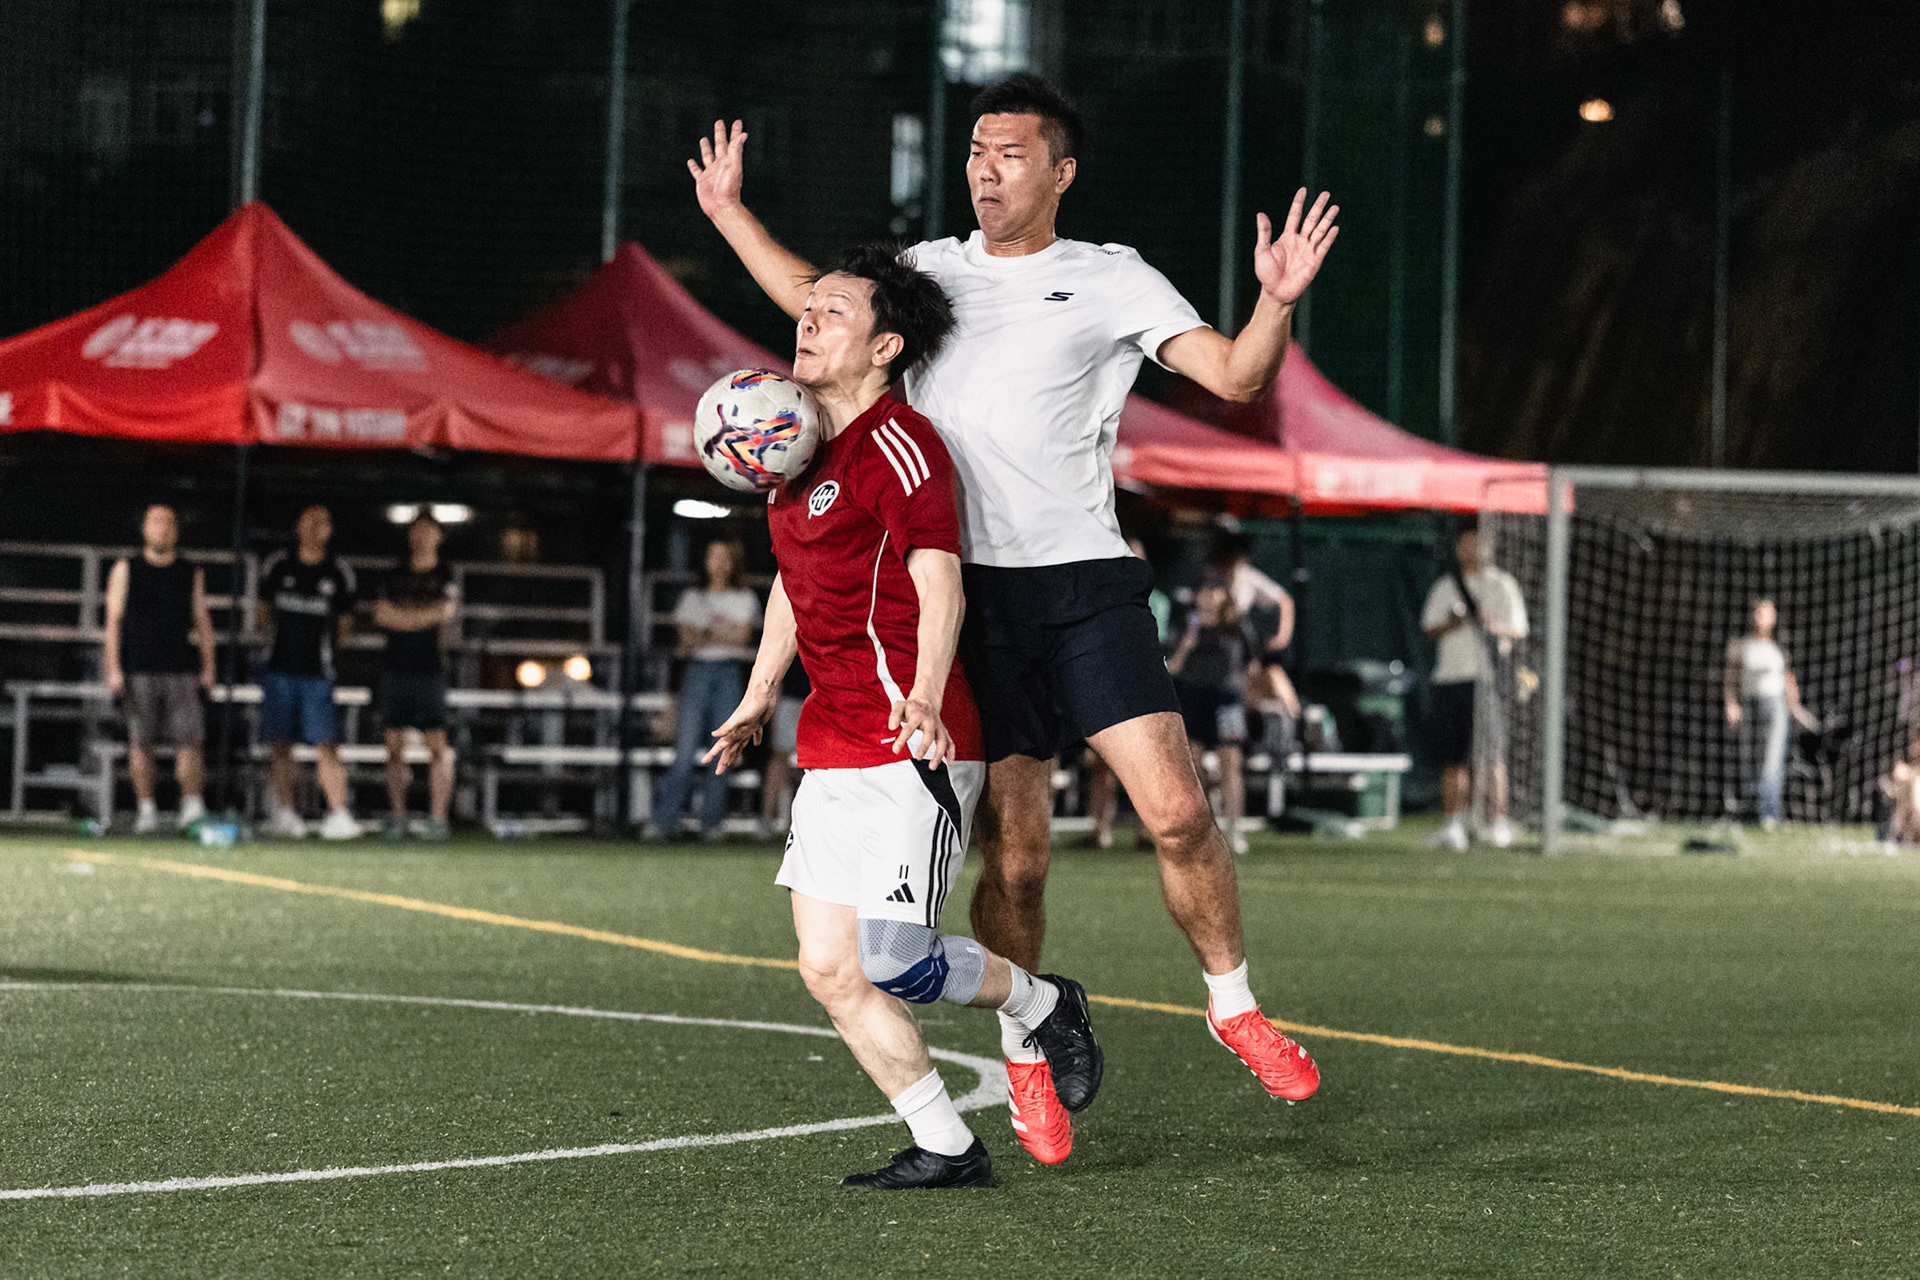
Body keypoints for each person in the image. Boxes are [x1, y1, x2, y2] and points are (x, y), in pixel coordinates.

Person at [690, 72, 1333, 1147]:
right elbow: (818, 297)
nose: (987, 168)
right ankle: (1028, 1047)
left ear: (1060, 173)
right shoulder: (930, 272)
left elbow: (1230, 376)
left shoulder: (1112, 278)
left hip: (1083, 581)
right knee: (1019, 858)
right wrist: (727, 215)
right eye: (977, 151)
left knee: (1177, 809)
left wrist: (1275, 299)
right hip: (966, 598)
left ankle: (1235, 1007)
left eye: (1011, 153)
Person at [703, 244, 1100, 1186]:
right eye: (810, 308)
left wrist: (923, 692)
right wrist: (761, 693)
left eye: (833, 311)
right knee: (829, 970)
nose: (809, 319)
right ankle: (946, 1144)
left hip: (910, 740)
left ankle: (1046, 1002)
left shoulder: (901, 443)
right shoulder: (792, 455)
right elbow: (793, 590)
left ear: (885, 347)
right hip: (831, 743)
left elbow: (937, 574)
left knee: (894, 960)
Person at [102, 504, 216, 833]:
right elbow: (113, 621)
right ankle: (146, 808)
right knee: (141, 741)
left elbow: (202, 620)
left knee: (191, 740)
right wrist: (113, 667)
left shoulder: (189, 571)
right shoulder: (127, 568)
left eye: (169, 522)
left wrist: (209, 667)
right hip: (138, 667)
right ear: (144, 529)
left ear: (176, 530)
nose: (162, 529)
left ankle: (191, 804)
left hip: (181, 667)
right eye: (155, 522)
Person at [1420, 524, 1529, 850]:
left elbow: (1519, 629)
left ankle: (1497, 823)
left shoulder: (1502, 584)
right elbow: (1429, 627)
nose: (1470, 550)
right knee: (1453, 757)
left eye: (1476, 543)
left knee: (1490, 756)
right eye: (1465, 544)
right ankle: (1453, 824)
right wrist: (1452, 624)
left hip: (1487, 681)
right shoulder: (1446, 586)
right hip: (1450, 678)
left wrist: (1489, 623)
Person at [257, 504, 359, 840]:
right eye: (309, 522)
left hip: (318, 673)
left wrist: (331, 655)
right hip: (279, 670)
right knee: (281, 744)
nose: (316, 528)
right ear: (297, 526)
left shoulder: (338, 572)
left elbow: (344, 625)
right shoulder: (278, 565)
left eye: (323, 523)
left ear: (330, 530)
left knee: (326, 744)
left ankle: (338, 812)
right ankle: (285, 812)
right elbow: (262, 613)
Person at [647, 540, 761, 841]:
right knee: (684, 752)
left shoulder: (744, 597)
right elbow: (686, 642)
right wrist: (723, 635)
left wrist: (706, 634)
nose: (719, 563)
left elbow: (742, 638)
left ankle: (711, 825)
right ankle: (663, 822)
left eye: (725, 557)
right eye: (713, 557)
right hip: (697, 673)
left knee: (724, 749)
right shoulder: (692, 597)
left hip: (729, 673)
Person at [373, 512, 458, 841]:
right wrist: (422, 617)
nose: (421, 536)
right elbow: (381, 614)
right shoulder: (393, 575)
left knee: (436, 745)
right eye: (416, 530)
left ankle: (437, 818)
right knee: (393, 745)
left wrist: (403, 618)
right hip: (395, 667)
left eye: (428, 530)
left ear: (439, 537)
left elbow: (445, 612)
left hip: (430, 669)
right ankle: (398, 816)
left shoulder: (445, 574)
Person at [1168, 581, 1265, 855]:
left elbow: (1252, 667)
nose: (1207, 598)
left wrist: (1249, 698)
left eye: (1213, 592)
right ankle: (1204, 829)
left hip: (1227, 701)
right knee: (1194, 765)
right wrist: (1187, 645)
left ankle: (1235, 828)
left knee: (1230, 763)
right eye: (1203, 592)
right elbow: (1173, 666)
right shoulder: (1188, 625)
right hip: (1194, 698)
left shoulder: (1237, 628)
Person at [1722, 598, 1818, 830]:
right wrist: (1731, 703)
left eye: (1768, 612)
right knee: (1751, 760)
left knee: (1772, 762)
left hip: (1776, 707)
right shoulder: (1741, 645)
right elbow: (1731, 678)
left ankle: (1769, 814)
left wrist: (1795, 707)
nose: (1764, 617)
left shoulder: (1779, 646)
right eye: (1760, 612)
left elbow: (1787, 677)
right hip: (1750, 704)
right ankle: (1748, 812)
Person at [757, 659, 808, 839]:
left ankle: (810, 823)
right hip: (790, 700)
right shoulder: (792, 633)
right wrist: (774, 709)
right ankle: (766, 818)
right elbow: (778, 670)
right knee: (778, 761)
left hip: (820, 701)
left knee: (823, 765)